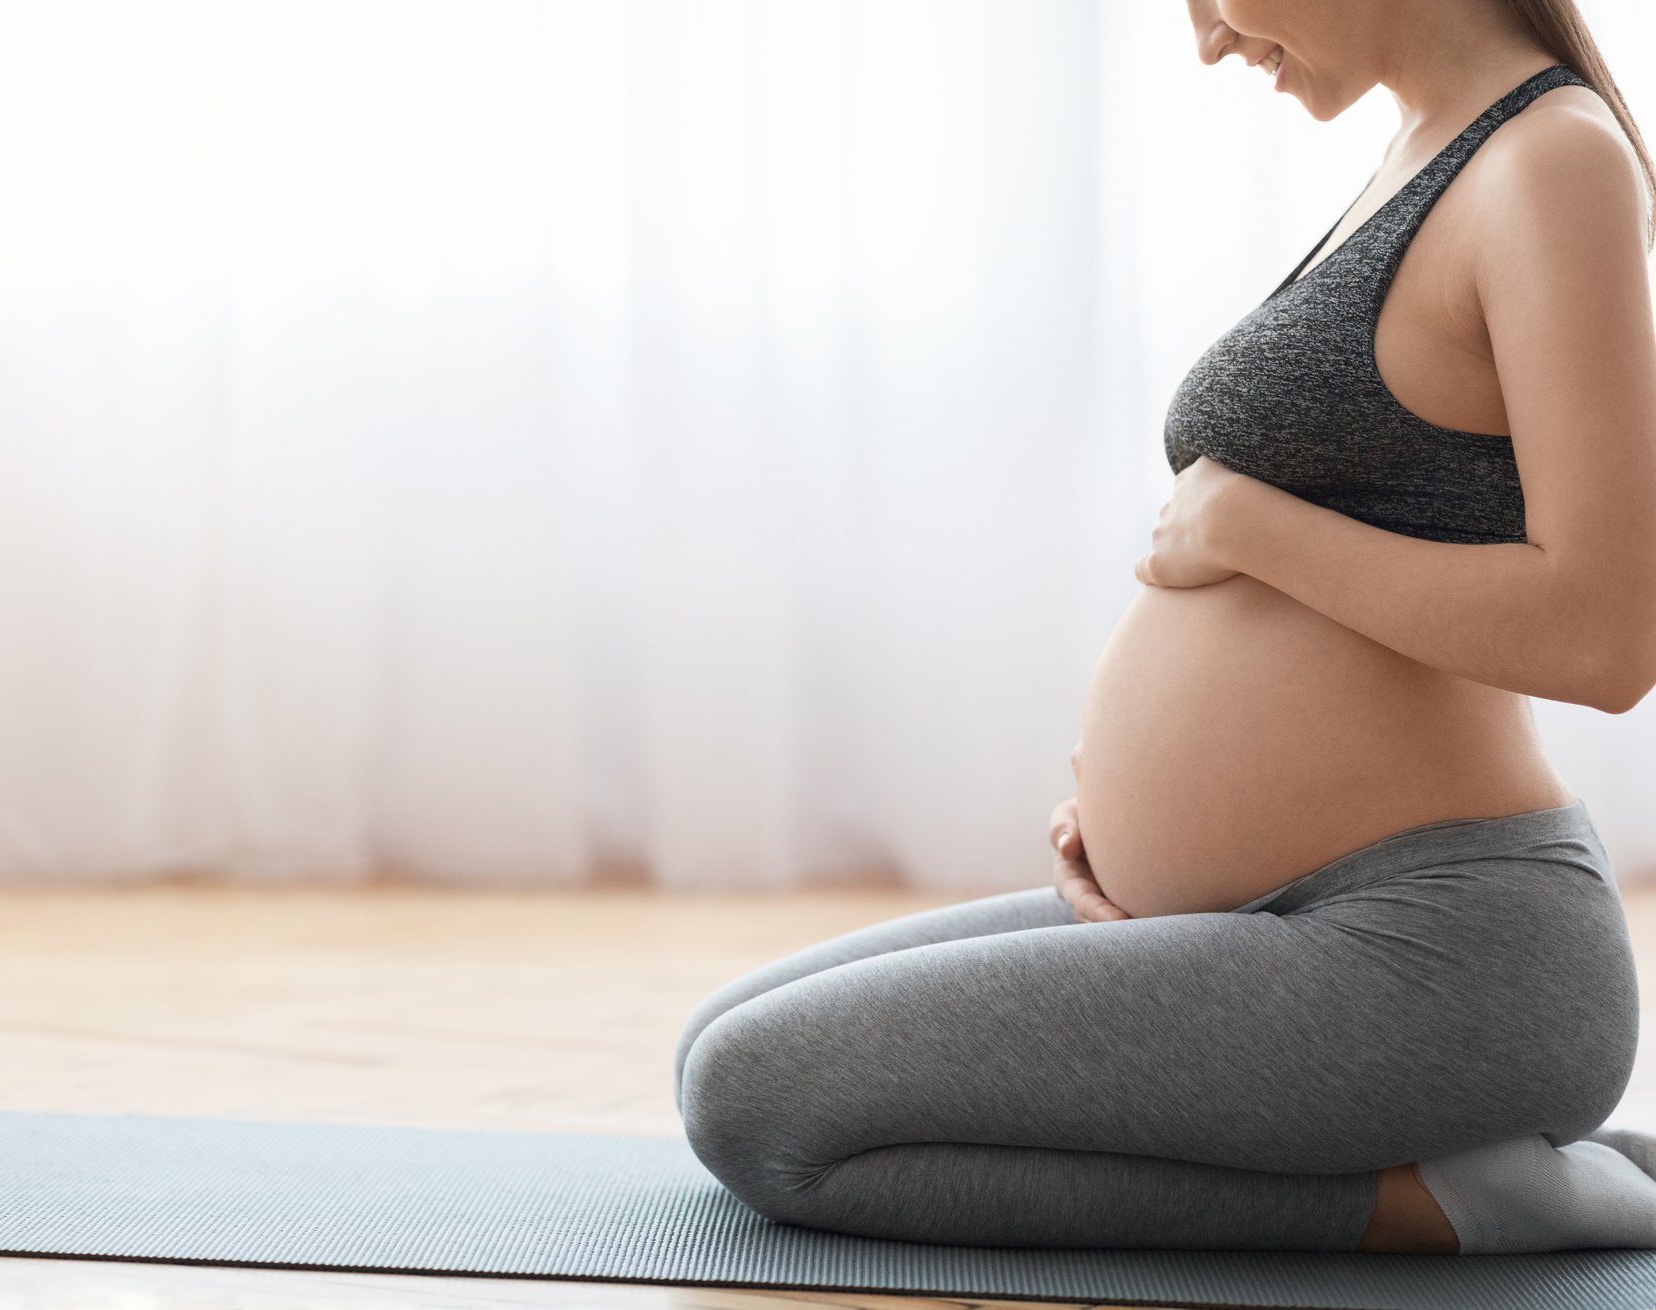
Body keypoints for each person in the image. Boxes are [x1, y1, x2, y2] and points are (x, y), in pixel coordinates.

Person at [673, 0, 1656, 1255]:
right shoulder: (1426, 145)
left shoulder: (1550, 158)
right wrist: (1154, 838)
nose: (1205, 38)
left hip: (1440, 948)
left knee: (759, 1103)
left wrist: (1254, 529)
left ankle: (1464, 1204)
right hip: (1270, 922)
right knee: (720, 1040)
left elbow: (1606, 636)